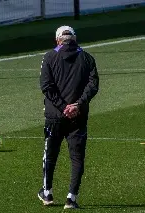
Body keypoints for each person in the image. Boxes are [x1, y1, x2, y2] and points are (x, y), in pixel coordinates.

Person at [38, 26, 99, 209]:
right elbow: (93, 85)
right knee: (77, 157)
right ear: (75, 39)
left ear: (58, 40)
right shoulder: (87, 58)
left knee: (50, 155)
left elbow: (46, 86)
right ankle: (71, 198)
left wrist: (63, 107)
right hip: (78, 117)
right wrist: (78, 104)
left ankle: (47, 193)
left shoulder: (49, 57)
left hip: (54, 117)